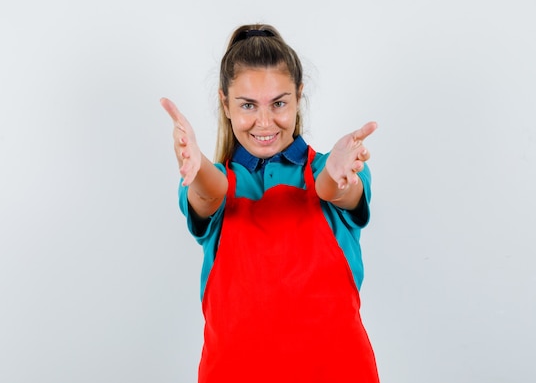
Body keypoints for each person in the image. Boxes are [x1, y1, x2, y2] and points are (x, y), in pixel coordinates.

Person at [160, 24, 380, 383]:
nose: (265, 122)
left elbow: (333, 189)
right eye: (248, 105)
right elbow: (211, 193)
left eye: (279, 103)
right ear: (225, 104)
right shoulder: (215, 181)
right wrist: (197, 166)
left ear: (298, 97)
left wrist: (340, 175)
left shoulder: (330, 169)